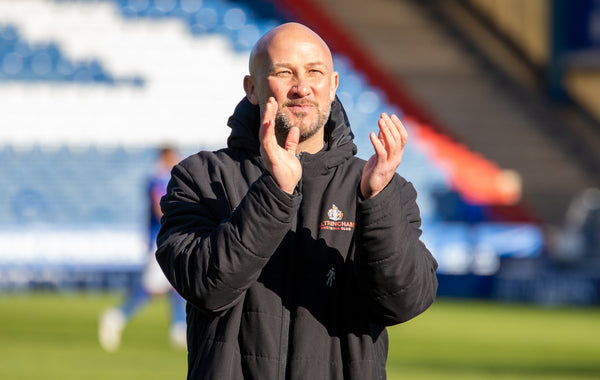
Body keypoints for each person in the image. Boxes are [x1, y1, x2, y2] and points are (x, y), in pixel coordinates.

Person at [156, 22, 438, 379]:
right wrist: (275, 192)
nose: (301, 87)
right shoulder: (201, 178)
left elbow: (404, 302)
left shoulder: (381, 189)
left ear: (333, 85)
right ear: (252, 89)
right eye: (284, 72)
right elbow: (208, 287)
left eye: (314, 72)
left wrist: (376, 202)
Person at [98, 146, 187, 352]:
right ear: (166, 156)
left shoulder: (167, 177)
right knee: (153, 289)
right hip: (160, 241)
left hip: (169, 239)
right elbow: (159, 207)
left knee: (178, 285)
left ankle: (179, 328)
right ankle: (116, 316)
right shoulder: (157, 178)